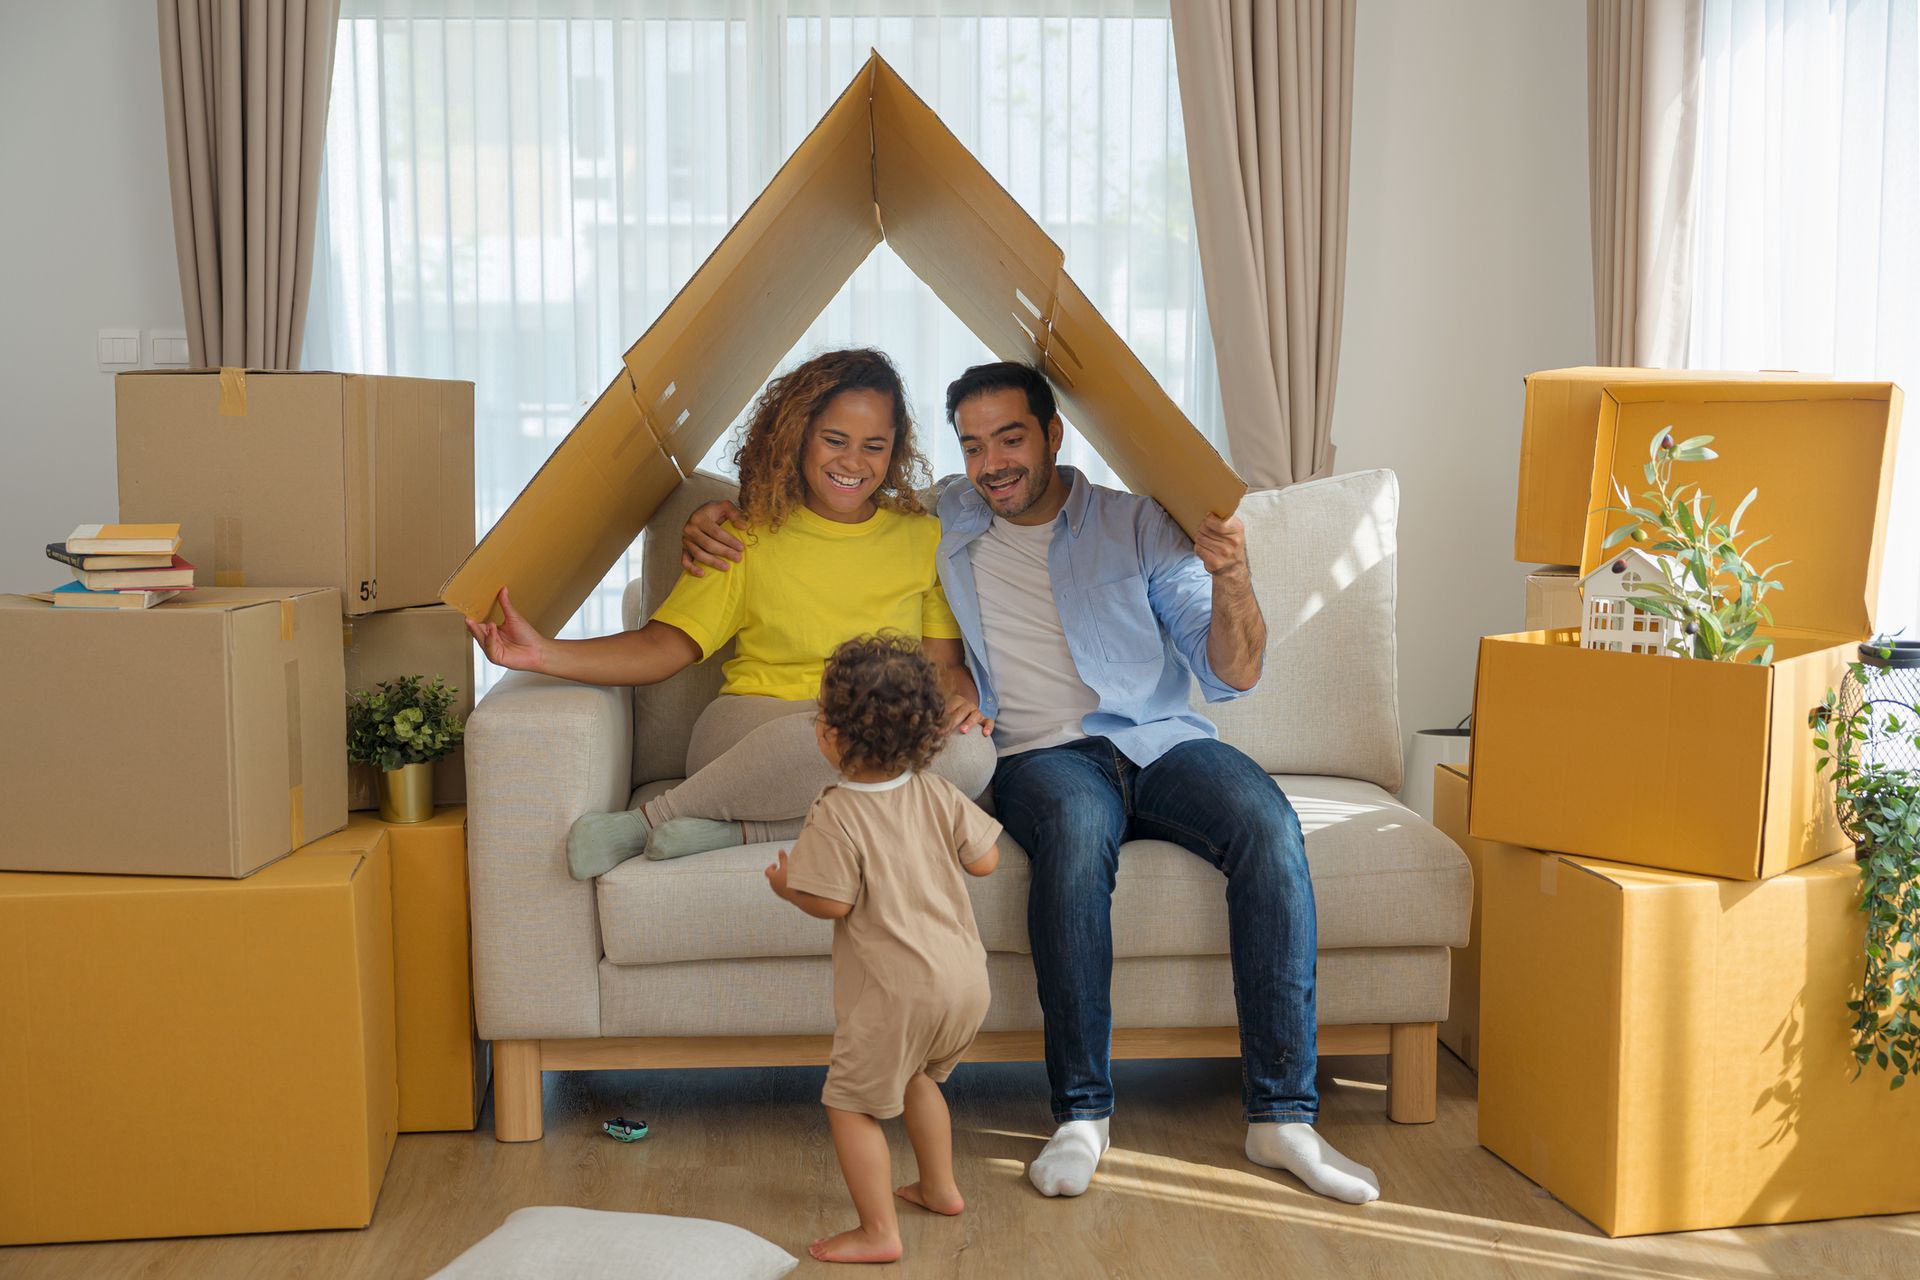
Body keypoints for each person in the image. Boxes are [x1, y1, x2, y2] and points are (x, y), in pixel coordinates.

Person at [682, 361, 1381, 1206]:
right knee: (1076, 842)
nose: (992, 464)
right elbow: (838, 491)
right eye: (973, 446)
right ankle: (1082, 1114)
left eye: (1010, 439)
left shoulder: (1138, 524)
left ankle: (1282, 1118)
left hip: (1161, 742)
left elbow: (1233, 671)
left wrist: (1232, 575)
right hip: (1039, 756)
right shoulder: (945, 518)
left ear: (1053, 434)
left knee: (1268, 825)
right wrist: (711, 515)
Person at [468, 348, 996, 879]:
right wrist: (543, 653)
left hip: (870, 733)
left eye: (873, 446)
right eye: (835, 440)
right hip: (752, 734)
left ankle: (741, 831)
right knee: (839, 737)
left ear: (894, 451)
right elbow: (661, 646)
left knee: (972, 756)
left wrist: (961, 706)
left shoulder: (923, 537)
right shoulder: (742, 534)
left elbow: (943, 665)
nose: (853, 463)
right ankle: (650, 821)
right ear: (799, 437)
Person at [765, 634, 1003, 1265]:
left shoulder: (835, 812)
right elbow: (986, 861)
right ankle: (939, 1188)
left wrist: (789, 888)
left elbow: (832, 903)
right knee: (918, 1076)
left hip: (896, 994)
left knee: (848, 1104)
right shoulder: (937, 792)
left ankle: (878, 1232)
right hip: (965, 982)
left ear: (832, 736)